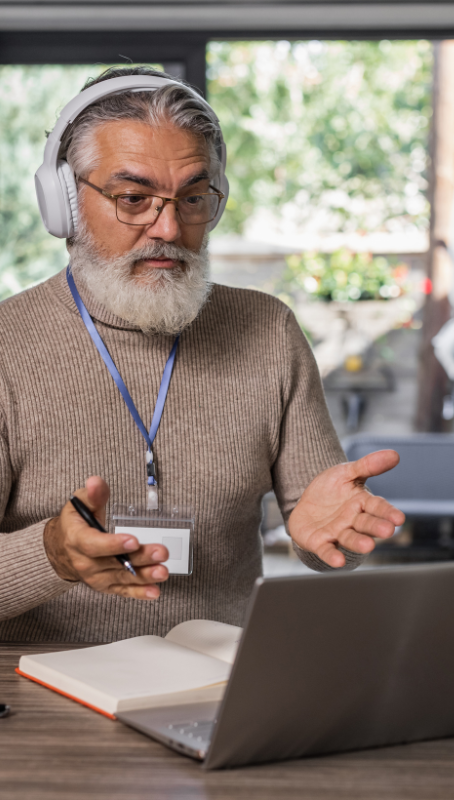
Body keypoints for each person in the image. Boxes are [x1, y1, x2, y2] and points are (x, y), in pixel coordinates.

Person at [0, 66, 403, 642]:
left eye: (192, 198)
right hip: (41, 699)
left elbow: (325, 524)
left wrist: (333, 538)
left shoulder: (268, 331)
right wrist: (50, 555)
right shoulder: (5, 344)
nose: (168, 226)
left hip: (218, 690)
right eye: (133, 198)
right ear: (63, 202)